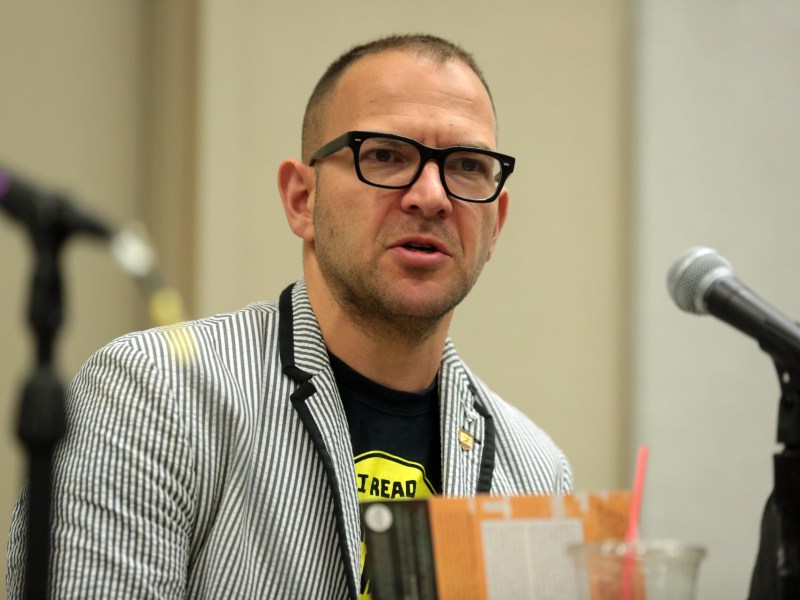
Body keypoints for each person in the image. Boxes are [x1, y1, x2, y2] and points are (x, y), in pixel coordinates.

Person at [6, 33, 572, 599]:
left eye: (468, 166)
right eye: (384, 155)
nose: (432, 196)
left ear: (495, 225)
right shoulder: (155, 394)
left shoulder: (535, 473)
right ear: (302, 199)